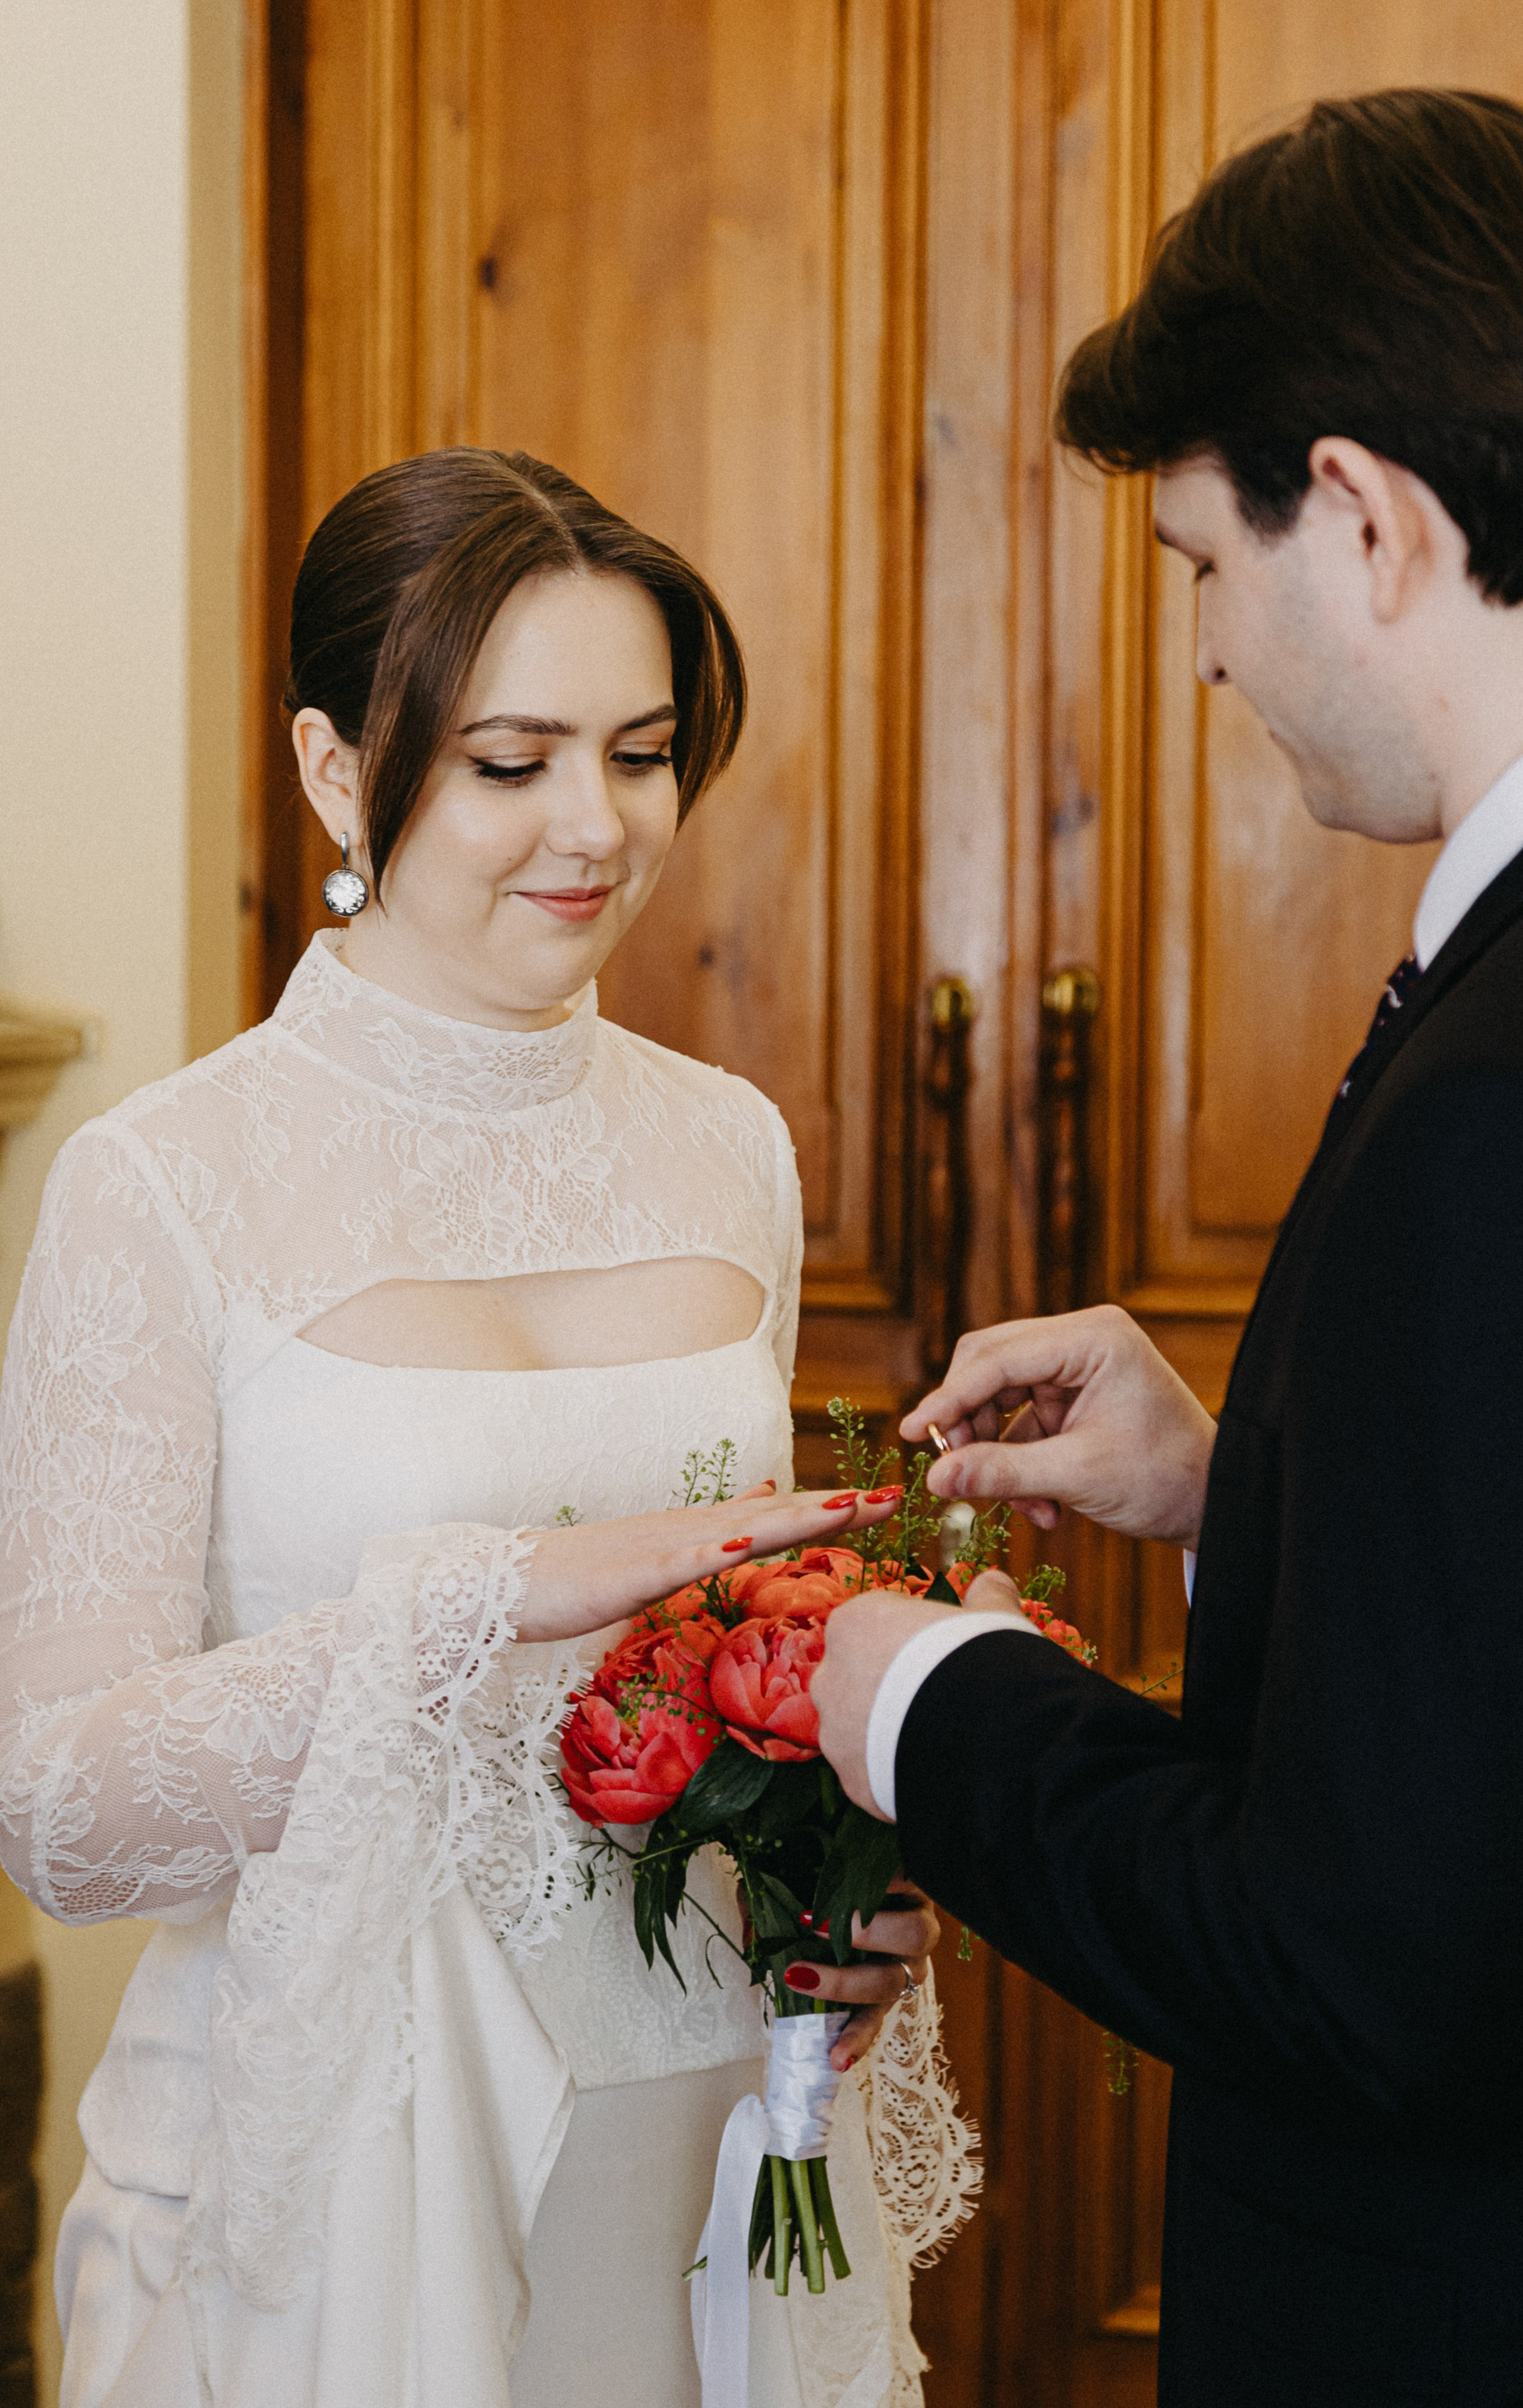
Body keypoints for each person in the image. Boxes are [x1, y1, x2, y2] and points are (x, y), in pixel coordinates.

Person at [0, 448, 978, 2408]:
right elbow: (62, 1812)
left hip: (702, 2169)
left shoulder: (732, 1145)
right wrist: (493, 1597)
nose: (595, 828)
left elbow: (729, 1662)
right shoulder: (163, 1183)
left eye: (641, 751)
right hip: (334, 2193)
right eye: (510, 762)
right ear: (333, 769)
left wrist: (856, 1869)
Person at [814, 88, 1523, 2407]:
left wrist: (918, 1695)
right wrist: (1253, 1466)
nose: (1204, 660)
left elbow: (1364, 1972)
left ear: (1355, 516)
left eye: (1196, 569)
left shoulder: (1522, 1082)